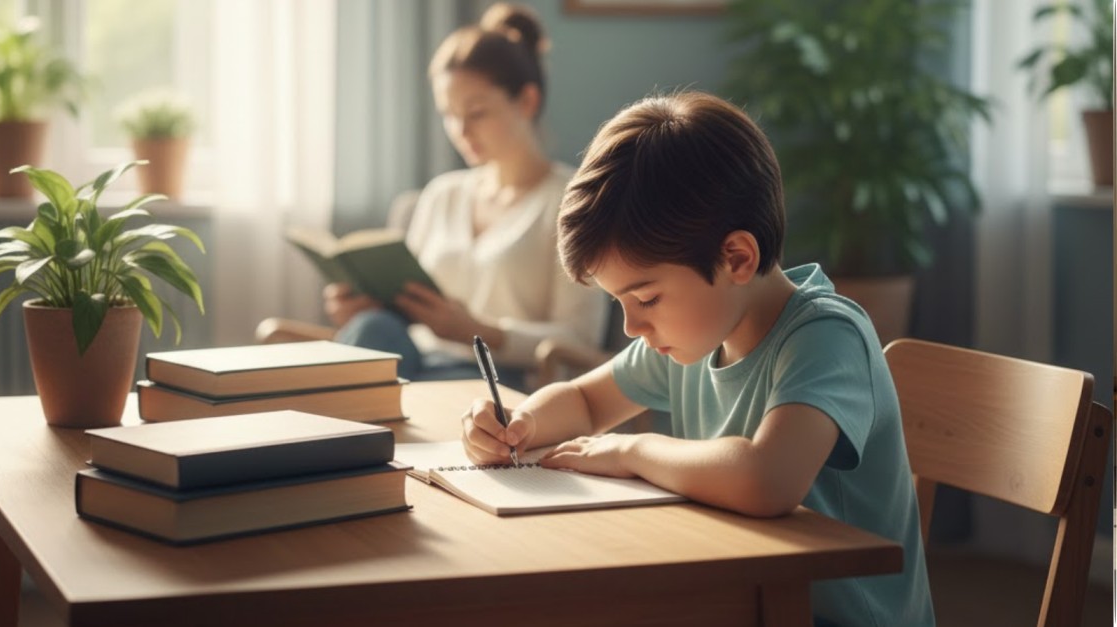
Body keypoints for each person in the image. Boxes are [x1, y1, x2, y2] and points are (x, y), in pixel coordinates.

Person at [461, 91, 935, 626]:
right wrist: (519, 424)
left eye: (646, 299)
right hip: (742, 597)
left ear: (736, 258)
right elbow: (585, 402)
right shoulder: (695, 336)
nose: (631, 327)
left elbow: (767, 480)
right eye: (619, 303)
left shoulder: (827, 336)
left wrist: (632, 450)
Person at [323, 3, 607, 388]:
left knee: (386, 384)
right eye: (449, 114)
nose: (460, 130)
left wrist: (479, 332)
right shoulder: (442, 194)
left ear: (527, 101)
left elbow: (581, 341)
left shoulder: (574, 202)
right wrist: (363, 306)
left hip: (500, 377)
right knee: (373, 327)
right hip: (417, 360)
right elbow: (406, 311)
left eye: (476, 113)